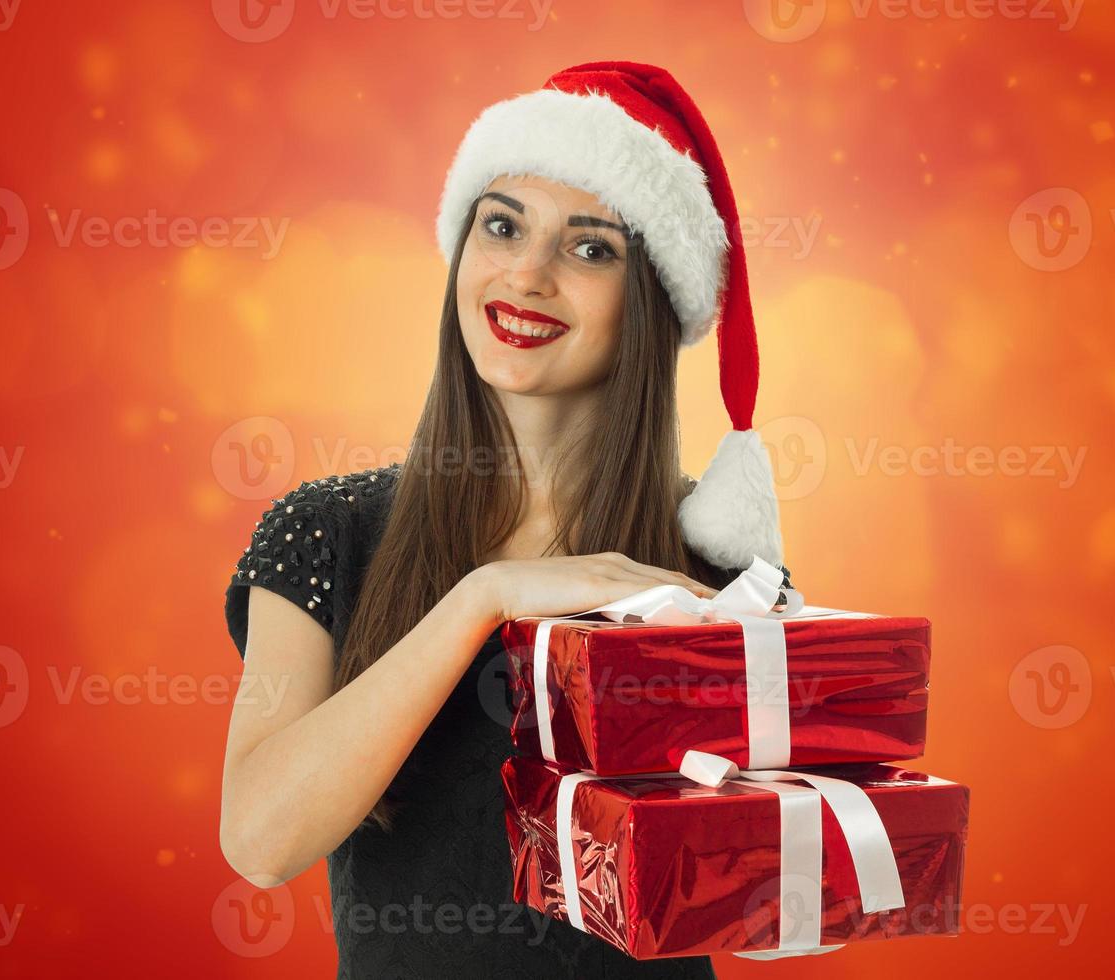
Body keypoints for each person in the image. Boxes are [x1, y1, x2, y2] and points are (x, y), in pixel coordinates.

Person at [219, 61, 793, 979]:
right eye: (502, 226)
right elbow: (260, 837)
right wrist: (486, 597)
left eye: (590, 247)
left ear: (646, 300)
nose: (526, 274)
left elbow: (767, 907)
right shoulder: (327, 533)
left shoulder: (708, 575)